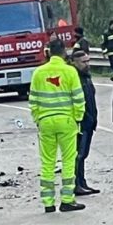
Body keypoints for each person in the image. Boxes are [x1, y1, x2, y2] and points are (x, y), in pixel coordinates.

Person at [29, 39, 86, 213]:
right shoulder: (70, 71)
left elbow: (33, 100)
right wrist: (78, 118)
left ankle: (48, 201)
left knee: (47, 161)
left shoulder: (38, 73)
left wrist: (38, 119)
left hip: (45, 122)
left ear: (48, 52)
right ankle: (67, 199)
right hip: (66, 121)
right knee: (68, 160)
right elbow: (78, 98)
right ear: (64, 53)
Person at [70, 50, 99, 195]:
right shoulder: (74, 78)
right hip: (81, 123)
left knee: (83, 154)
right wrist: (84, 118)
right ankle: (76, 184)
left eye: (88, 61)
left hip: (89, 122)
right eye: (83, 62)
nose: (87, 64)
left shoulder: (87, 77)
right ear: (74, 63)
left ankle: (82, 182)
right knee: (78, 155)